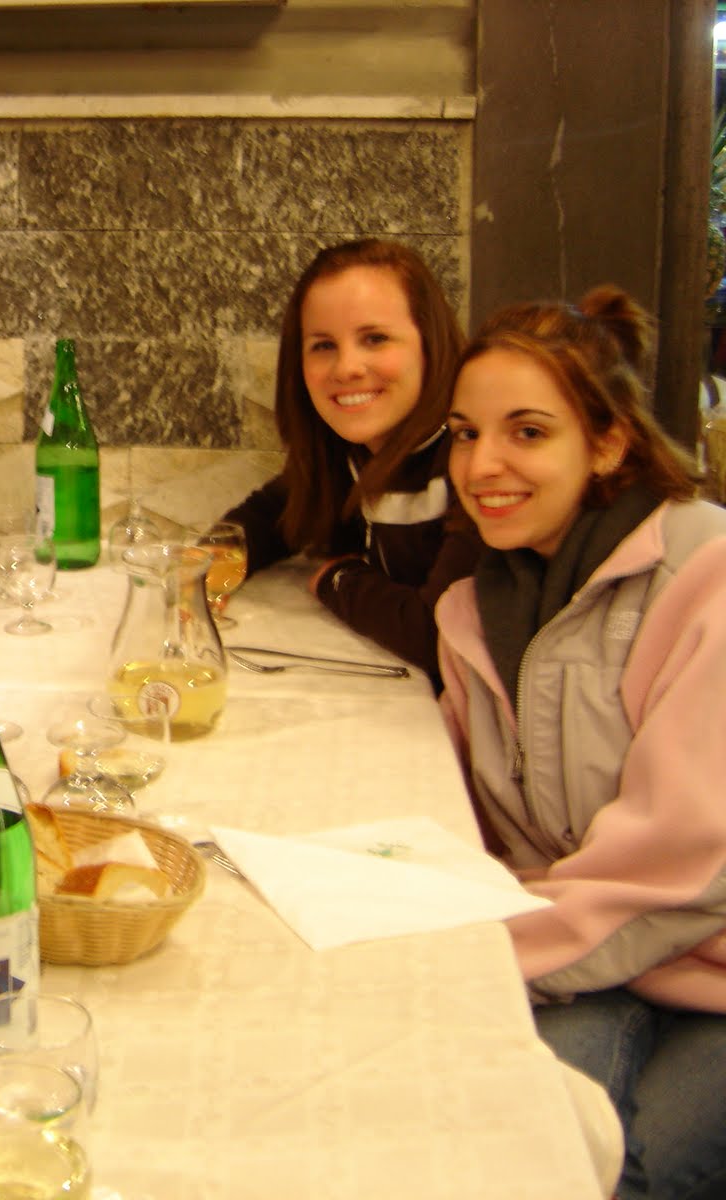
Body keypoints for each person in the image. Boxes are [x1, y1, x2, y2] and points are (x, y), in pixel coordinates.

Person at [436, 286, 726, 1199]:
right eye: (464, 433)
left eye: (527, 432)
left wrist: (469, 960)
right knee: (504, 1130)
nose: (482, 464)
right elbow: (463, 824)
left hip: (699, 955)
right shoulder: (474, 611)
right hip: (603, 957)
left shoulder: (704, 576)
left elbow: (686, 869)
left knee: (606, 1169)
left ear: (607, 443)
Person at [222, 238, 482, 681]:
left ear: (429, 343)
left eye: (374, 339)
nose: (346, 368)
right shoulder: (348, 452)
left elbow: (438, 635)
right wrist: (201, 567)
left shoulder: (471, 458)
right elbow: (273, 515)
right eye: (323, 345)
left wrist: (338, 579)